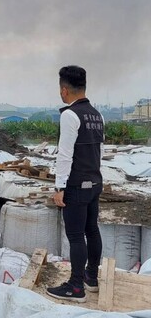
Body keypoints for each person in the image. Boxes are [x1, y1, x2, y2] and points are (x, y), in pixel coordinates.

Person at [46, 65, 104, 303]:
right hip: (94, 182)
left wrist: (60, 188)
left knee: (76, 235)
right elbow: (99, 150)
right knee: (92, 230)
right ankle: (91, 277)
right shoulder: (97, 115)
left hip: (77, 186)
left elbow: (65, 155)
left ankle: (76, 287)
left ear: (64, 90)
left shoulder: (69, 115)